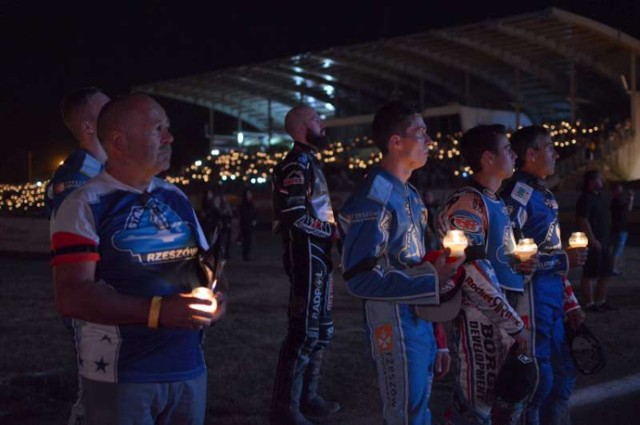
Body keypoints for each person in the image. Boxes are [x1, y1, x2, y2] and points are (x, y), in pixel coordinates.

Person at [50, 93, 226, 425]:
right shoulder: (83, 203)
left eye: (168, 128)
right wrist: (158, 312)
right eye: (157, 128)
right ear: (119, 141)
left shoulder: (175, 197)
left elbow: (207, 269)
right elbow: (72, 295)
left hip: (188, 370)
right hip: (119, 377)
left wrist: (216, 300)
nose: (169, 137)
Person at [338, 100, 463, 425]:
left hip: (418, 320)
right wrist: (430, 279)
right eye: (420, 132)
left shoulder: (410, 195)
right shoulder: (374, 198)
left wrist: (439, 339)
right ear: (396, 142)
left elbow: (418, 263)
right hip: (393, 322)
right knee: (405, 416)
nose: (430, 140)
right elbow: (359, 277)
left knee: (419, 412)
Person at [437, 124, 533, 425]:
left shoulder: (496, 203)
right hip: (481, 317)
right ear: (488, 158)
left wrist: (522, 265)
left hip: (504, 312)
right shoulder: (467, 203)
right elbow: (471, 270)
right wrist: (514, 325)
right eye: (507, 149)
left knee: (506, 400)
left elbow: (500, 260)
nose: (514, 154)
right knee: (479, 404)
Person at [501, 125, 587, 425]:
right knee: (538, 381)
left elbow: (548, 251)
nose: (556, 153)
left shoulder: (545, 194)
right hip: (530, 301)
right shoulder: (518, 194)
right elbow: (511, 258)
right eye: (549, 147)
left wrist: (570, 302)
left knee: (563, 379)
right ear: (531, 154)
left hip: (551, 301)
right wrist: (564, 259)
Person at [43, 86, 110, 425]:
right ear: (88, 127)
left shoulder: (110, 171)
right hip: (93, 306)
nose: (117, 112)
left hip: (116, 302)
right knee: (96, 398)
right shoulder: (74, 178)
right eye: (107, 109)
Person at [270, 105, 340, 425]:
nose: (321, 124)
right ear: (299, 127)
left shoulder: (310, 163)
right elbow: (296, 218)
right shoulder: (293, 166)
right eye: (315, 119)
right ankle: (286, 409)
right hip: (305, 258)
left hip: (320, 257)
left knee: (322, 332)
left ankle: (308, 398)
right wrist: (332, 231)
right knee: (303, 334)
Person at [45, 87, 110, 219]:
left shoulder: (106, 171)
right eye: (107, 110)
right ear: (88, 127)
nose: (119, 114)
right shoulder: (76, 180)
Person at [576, 170, 614, 312]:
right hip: (593, 243)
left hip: (604, 242)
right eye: (599, 179)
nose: (602, 182)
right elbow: (582, 219)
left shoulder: (600, 198)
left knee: (606, 272)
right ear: (591, 182)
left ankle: (600, 301)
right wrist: (592, 239)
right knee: (590, 273)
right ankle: (589, 303)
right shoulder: (585, 198)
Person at [610, 182, 634, 275]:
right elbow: (628, 208)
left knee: (618, 249)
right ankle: (613, 268)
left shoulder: (617, 201)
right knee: (618, 249)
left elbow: (628, 208)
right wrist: (630, 198)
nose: (620, 192)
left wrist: (630, 198)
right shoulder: (616, 202)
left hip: (621, 228)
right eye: (618, 190)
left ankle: (614, 268)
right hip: (620, 228)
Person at [239, 187, 257, 261]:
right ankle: (245, 255)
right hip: (246, 224)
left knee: (248, 240)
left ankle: (247, 254)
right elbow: (244, 214)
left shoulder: (250, 203)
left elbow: (253, 212)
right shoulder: (245, 204)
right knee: (246, 240)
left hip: (249, 223)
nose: (250, 195)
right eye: (249, 194)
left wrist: (254, 219)